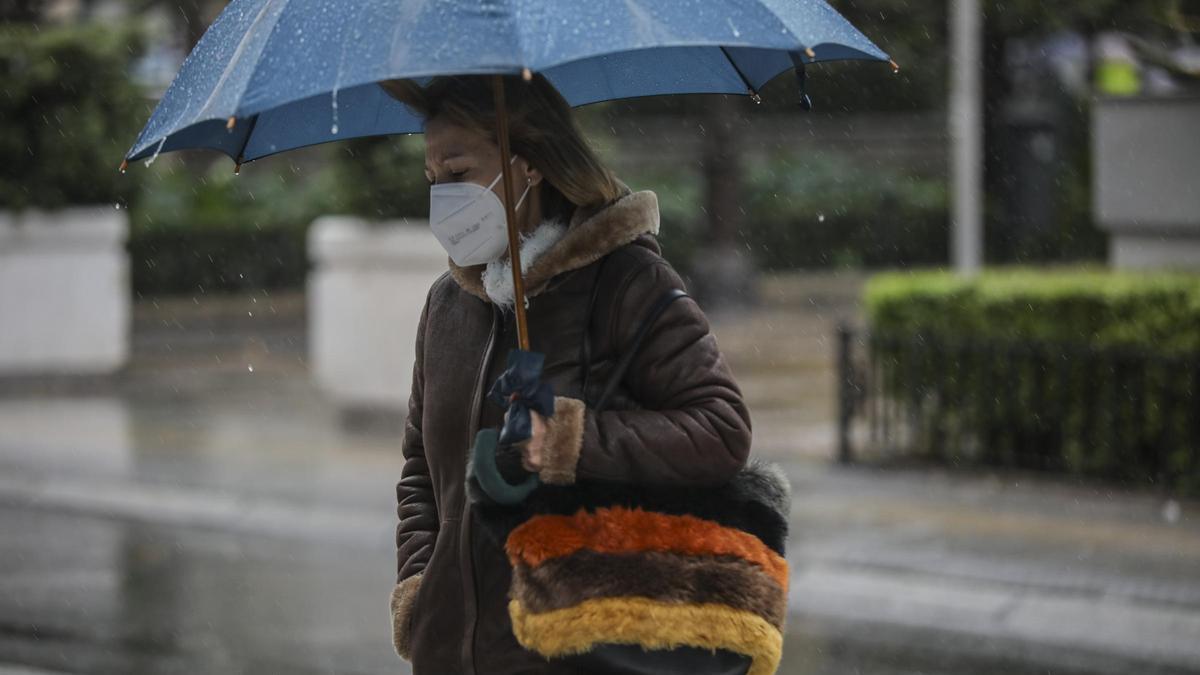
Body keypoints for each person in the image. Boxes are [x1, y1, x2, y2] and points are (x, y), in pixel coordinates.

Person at [377, 73, 753, 674]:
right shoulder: (447, 306)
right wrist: (422, 591)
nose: (442, 198)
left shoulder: (628, 282)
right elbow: (421, 470)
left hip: (589, 652)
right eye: (432, 180)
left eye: (458, 173)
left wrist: (569, 441)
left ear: (530, 166)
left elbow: (721, 430)